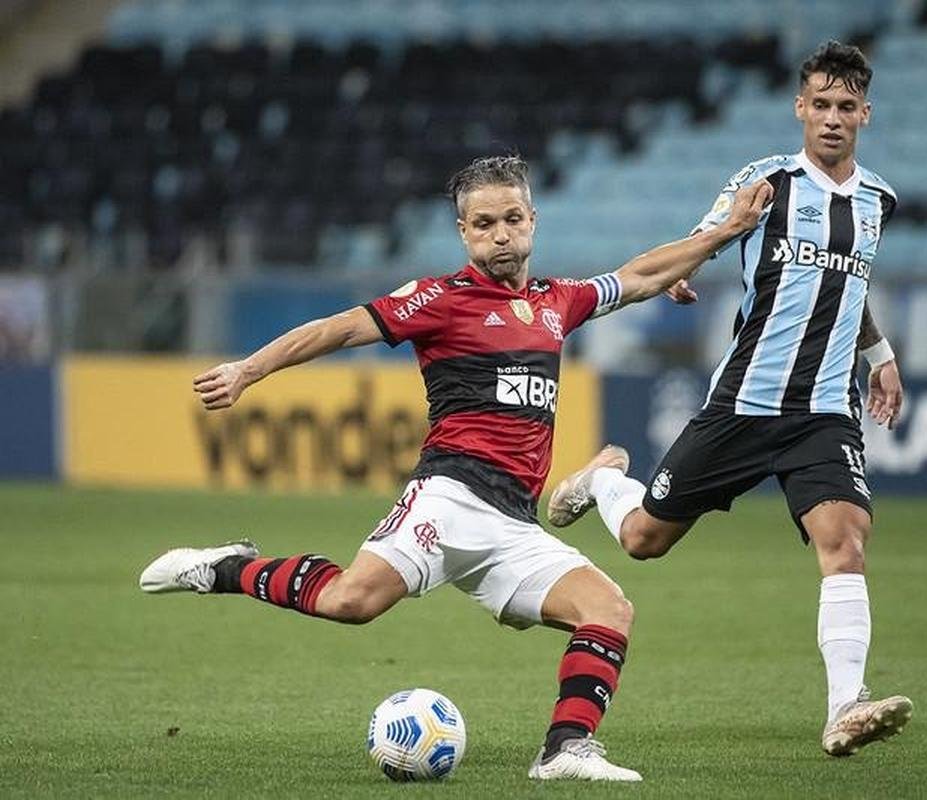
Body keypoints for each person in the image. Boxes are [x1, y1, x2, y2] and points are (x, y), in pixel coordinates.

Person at [138, 155, 772, 782]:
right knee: (351, 602)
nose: (501, 235)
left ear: (533, 220)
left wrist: (719, 237)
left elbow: (638, 275)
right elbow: (339, 329)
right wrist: (248, 370)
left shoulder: (560, 301)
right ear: (464, 232)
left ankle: (565, 750)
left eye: (513, 219)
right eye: (485, 224)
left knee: (609, 610)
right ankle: (224, 568)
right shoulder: (439, 299)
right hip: (449, 497)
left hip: (515, 525)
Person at [546, 41, 911, 757]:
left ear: (864, 114)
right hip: (742, 404)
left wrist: (879, 355)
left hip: (822, 412)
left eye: (845, 107)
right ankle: (604, 481)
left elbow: (847, 285)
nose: (831, 118)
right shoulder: (764, 180)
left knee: (845, 543)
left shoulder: (878, 201)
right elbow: (705, 239)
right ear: (799, 108)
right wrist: (691, 263)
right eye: (820, 105)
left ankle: (844, 707)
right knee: (644, 540)